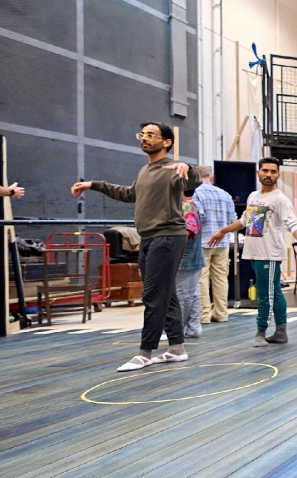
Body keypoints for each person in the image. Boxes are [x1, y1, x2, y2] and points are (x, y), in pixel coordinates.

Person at [71, 123, 200, 371]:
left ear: (166, 142)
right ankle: (176, 348)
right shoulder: (145, 170)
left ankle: (145, 352)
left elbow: (192, 183)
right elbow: (129, 194)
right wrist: (92, 184)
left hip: (167, 237)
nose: (145, 138)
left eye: (151, 135)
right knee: (166, 293)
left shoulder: (173, 169)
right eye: (143, 134)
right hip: (150, 237)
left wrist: (188, 168)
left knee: (152, 294)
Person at [207, 157, 297, 347]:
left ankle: (261, 332)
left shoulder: (280, 199)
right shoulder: (253, 196)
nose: (269, 175)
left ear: (278, 175)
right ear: (259, 173)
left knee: (266, 294)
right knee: (274, 292)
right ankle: (280, 332)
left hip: (269, 254)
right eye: (265, 171)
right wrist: (223, 231)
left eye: (273, 172)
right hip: (254, 252)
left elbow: (292, 222)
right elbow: (246, 221)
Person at [194, 166, 235, 324]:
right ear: (211, 176)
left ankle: (203, 316)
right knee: (221, 278)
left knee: (202, 279)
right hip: (223, 242)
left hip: (202, 242)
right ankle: (221, 314)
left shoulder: (196, 193)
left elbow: (198, 216)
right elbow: (233, 219)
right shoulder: (225, 194)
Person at [176, 195, 204, 339]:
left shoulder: (186, 205)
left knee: (183, 295)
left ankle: (176, 331)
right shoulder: (189, 204)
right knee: (192, 295)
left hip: (185, 259)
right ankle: (193, 329)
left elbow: (189, 228)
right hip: (192, 257)